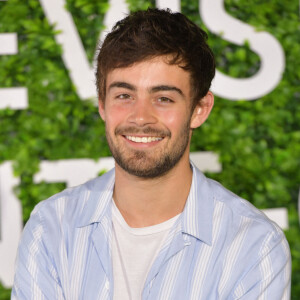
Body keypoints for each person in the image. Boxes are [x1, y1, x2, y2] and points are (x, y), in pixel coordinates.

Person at [12, 8, 291, 300]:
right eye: (124, 95)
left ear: (199, 109)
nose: (141, 117)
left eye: (163, 98)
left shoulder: (254, 246)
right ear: (102, 105)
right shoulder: (52, 226)